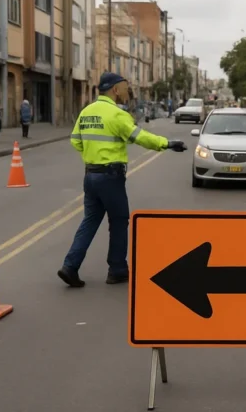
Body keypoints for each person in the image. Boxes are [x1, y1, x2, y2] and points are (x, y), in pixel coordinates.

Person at [58, 72, 187, 288]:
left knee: (89, 220)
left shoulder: (86, 112)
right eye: (125, 87)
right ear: (115, 89)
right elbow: (140, 137)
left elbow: (75, 141)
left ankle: (70, 266)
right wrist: (167, 143)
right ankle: (117, 269)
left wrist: (93, 156)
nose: (128, 92)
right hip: (110, 176)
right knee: (118, 221)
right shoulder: (116, 115)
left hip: (90, 175)